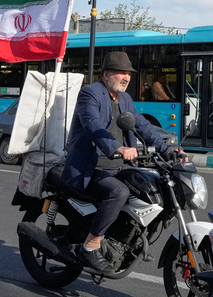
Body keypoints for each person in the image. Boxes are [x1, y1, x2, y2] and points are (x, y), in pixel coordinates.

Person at [61, 51, 180, 272]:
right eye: (121, 73)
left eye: (128, 74)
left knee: (152, 188)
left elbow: (142, 125)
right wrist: (117, 147)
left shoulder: (125, 99)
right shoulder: (90, 94)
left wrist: (168, 151)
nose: (126, 78)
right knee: (118, 192)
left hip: (119, 166)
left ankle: (130, 239)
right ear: (106, 75)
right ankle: (90, 246)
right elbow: (93, 126)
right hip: (90, 167)